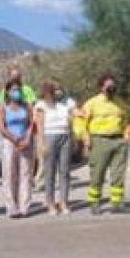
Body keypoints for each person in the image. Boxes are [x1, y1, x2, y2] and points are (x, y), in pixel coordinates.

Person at [83, 74, 130, 215]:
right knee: (97, 174)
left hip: (118, 141)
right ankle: (94, 204)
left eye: (113, 86)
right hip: (100, 141)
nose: (111, 88)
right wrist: (85, 138)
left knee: (118, 174)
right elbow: (80, 122)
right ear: (101, 87)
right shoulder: (92, 103)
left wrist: (126, 137)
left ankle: (117, 204)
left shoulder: (120, 103)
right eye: (108, 86)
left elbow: (125, 121)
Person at [35, 81, 78, 216]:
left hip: (65, 136)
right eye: (55, 89)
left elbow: (74, 114)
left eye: (60, 89)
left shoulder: (66, 103)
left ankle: (64, 202)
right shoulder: (41, 105)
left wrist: (78, 114)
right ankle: (50, 204)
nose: (58, 91)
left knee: (65, 171)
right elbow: (40, 126)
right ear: (48, 91)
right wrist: (42, 143)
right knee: (50, 172)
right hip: (49, 136)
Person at [0, 78, 36, 219]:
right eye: (13, 89)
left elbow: (32, 123)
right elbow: (1, 126)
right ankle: (11, 207)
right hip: (9, 142)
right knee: (9, 175)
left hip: (25, 142)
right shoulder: (3, 106)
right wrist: (14, 140)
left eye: (18, 89)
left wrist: (27, 138)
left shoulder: (26, 106)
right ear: (7, 92)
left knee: (25, 174)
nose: (16, 92)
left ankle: (24, 206)